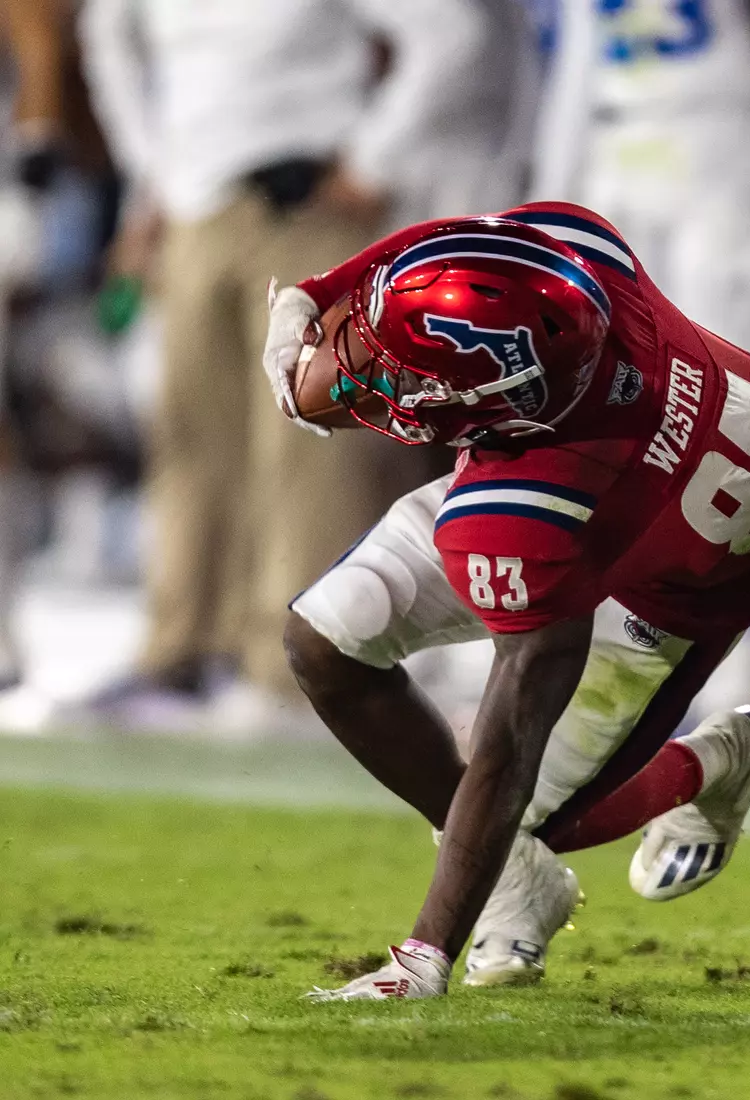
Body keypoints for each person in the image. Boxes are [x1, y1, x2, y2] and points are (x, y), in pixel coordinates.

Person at [264, 202, 750, 1000]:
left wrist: (425, 955)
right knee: (326, 636)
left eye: (405, 373)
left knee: (530, 816)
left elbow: (506, 750)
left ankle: (707, 763)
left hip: (650, 573)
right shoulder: (575, 264)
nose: (382, 381)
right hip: (543, 487)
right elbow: (462, 251)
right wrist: (311, 296)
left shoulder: (554, 483)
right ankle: (512, 880)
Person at [77, 0, 487, 715]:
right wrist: (150, 174)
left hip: (308, 206)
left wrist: (374, 159)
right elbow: (104, 38)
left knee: (311, 441)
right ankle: (182, 646)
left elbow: (451, 34)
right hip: (194, 207)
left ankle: (292, 664)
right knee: (190, 435)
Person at [531, 0, 750, 361]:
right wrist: (552, 195)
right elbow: (576, 71)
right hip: (620, 145)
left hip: (719, 141)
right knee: (626, 346)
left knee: (726, 338)